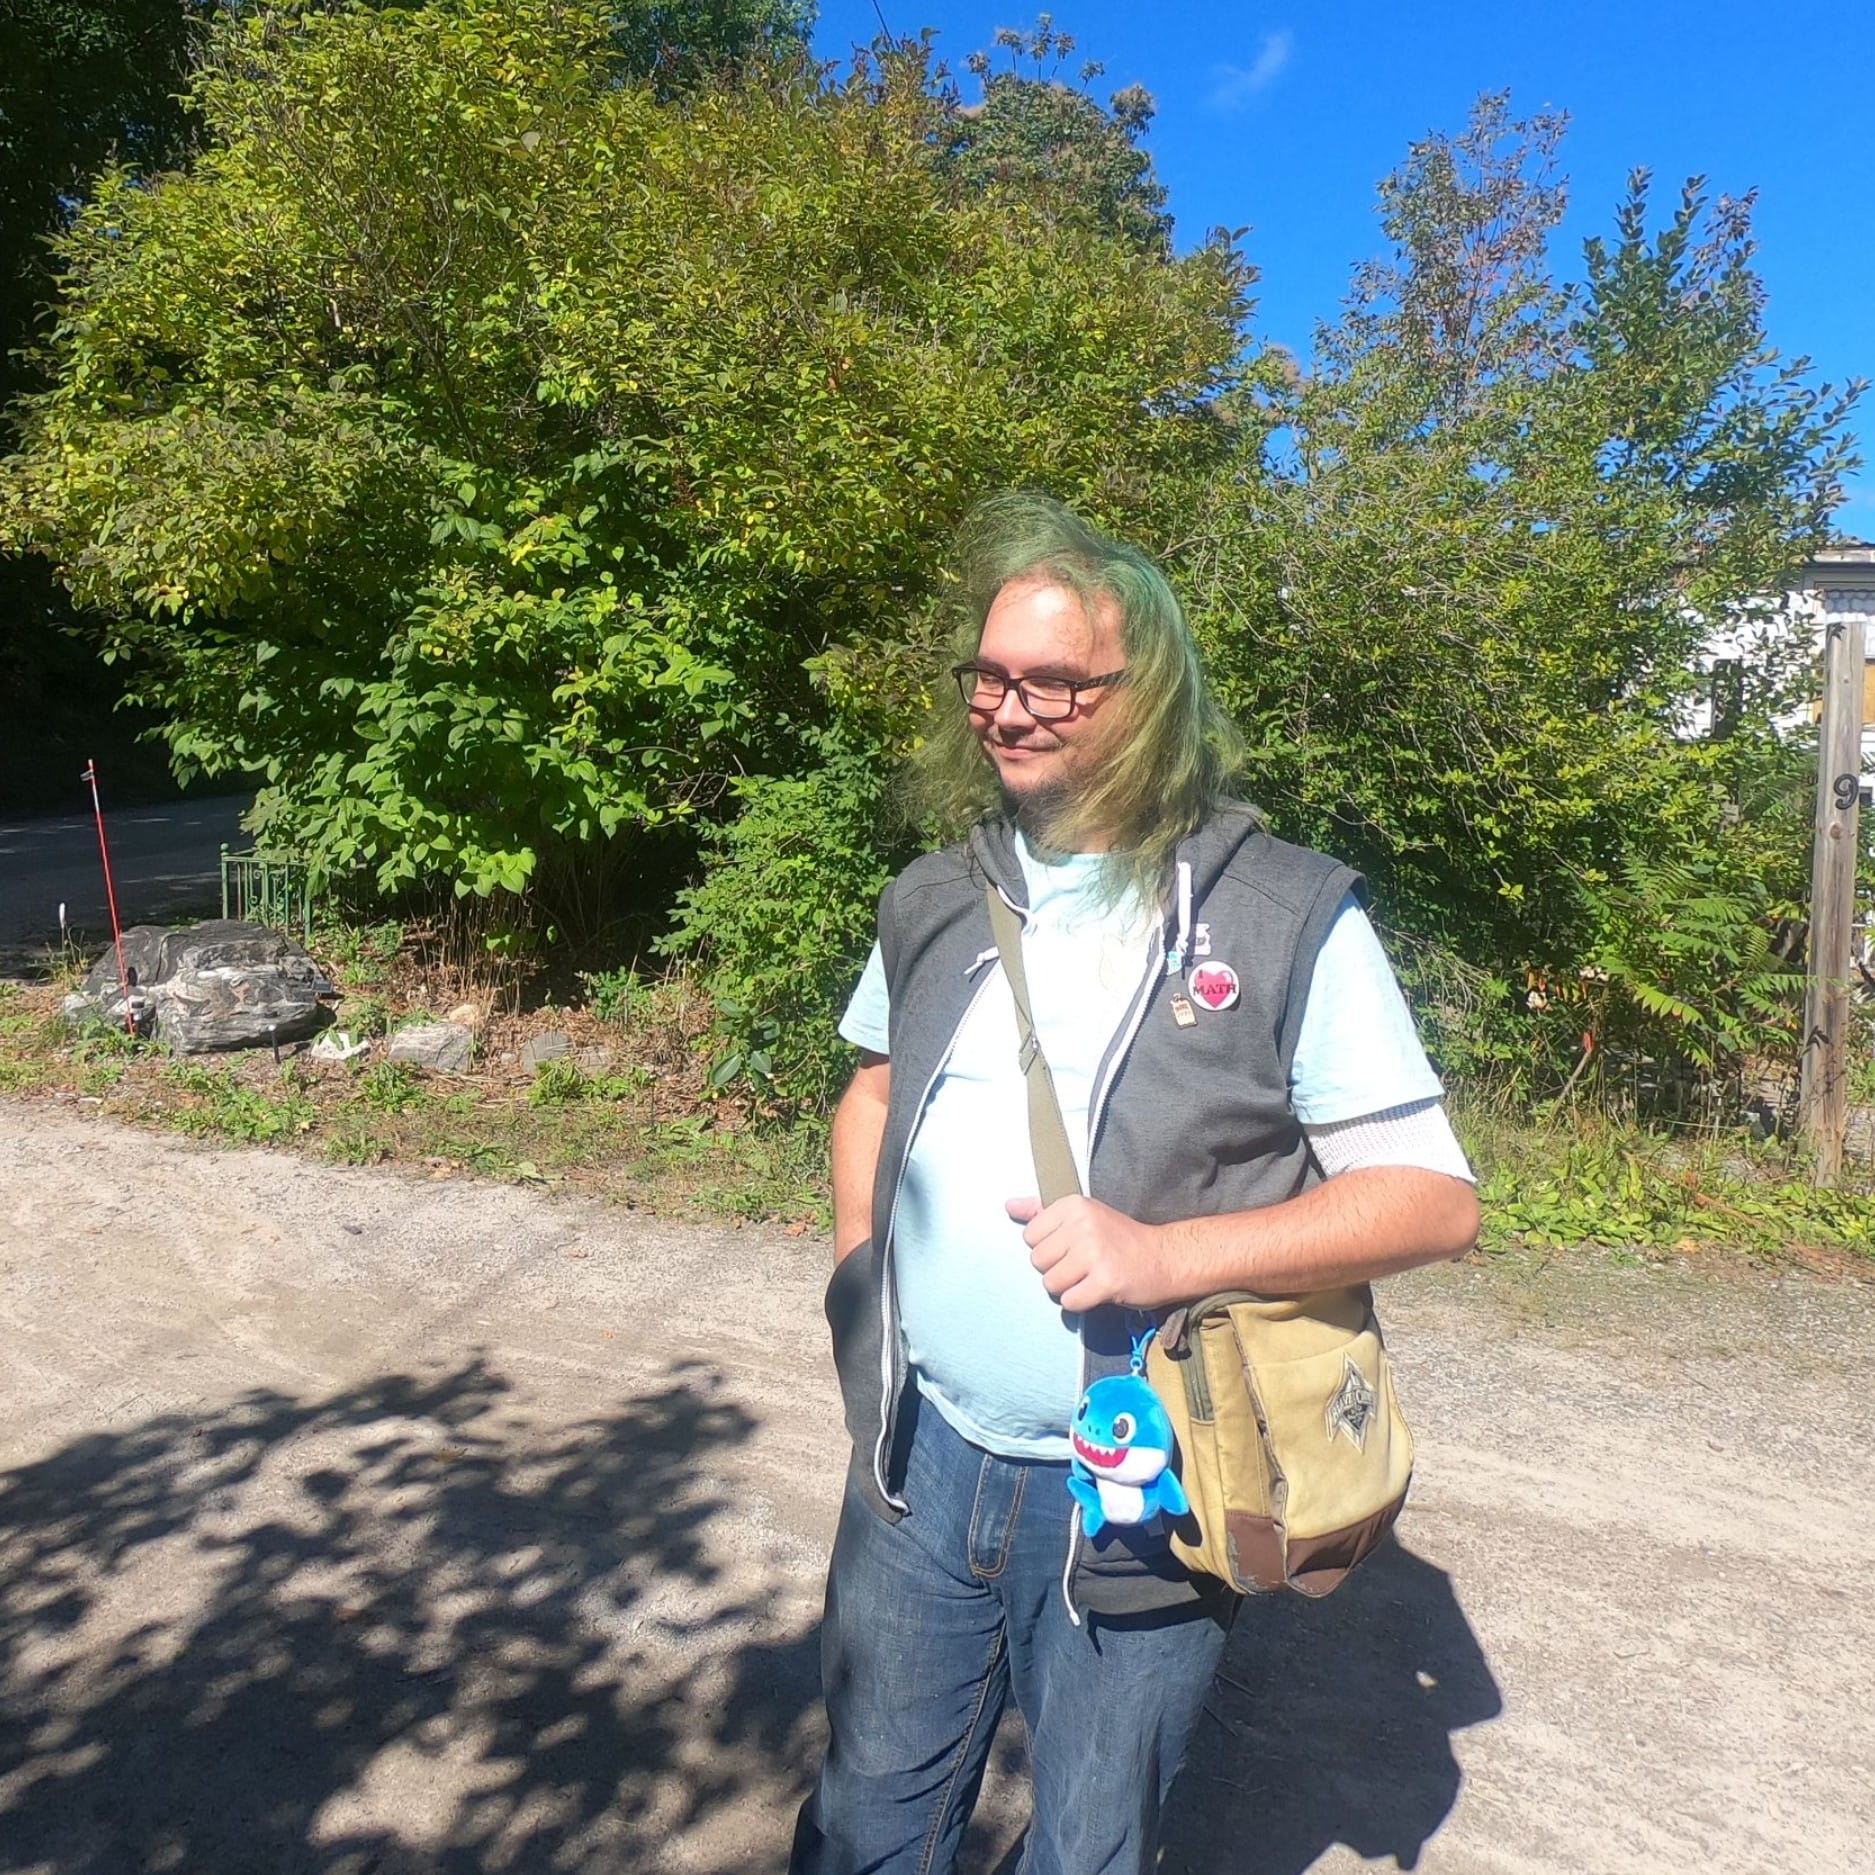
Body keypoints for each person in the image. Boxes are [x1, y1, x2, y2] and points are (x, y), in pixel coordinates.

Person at [791, 493, 1480, 1875]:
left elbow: (1429, 1197)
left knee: (1094, 1846)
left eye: (1052, 680)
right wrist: (865, 1290)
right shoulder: (935, 893)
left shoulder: (1282, 912)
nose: (1008, 707)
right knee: (867, 1818)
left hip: (1142, 1490)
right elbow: (869, 1096)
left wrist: (1163, 1258)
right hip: (919, 1463)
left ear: (1146, 695)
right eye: (989, 675)